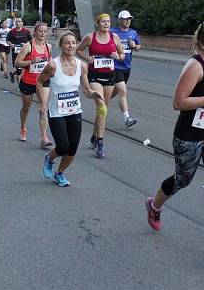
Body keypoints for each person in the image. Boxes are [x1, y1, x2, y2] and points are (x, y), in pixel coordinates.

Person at [144, 21, 204, 261]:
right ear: (202, 43)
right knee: (183, 179)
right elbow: (179, 102)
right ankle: (154, 206)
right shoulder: (194, 66)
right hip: (189, 137)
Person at [37, 32, 104, 187]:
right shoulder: (53, 65)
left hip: (75, 111)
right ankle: (50, 158)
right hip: (56, 112)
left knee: (72, 148)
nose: (71, 46)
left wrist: (94, 94)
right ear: (61, 45)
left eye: (73, 43)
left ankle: (59, 173)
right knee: (63, 146)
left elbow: (86, 90)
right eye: (67, 43)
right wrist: (42, 102)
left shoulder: (82, 66)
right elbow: (40, 81)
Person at [77, 13, 125, 158]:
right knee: (102, 107)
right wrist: (88, 58)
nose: (106, 24)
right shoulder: (90, 37)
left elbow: (122, 55)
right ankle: (100, 142)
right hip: (95, 76)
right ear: (98, 23)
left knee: (102, 111)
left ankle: (94, 136)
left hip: (109, 76)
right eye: (104, 22)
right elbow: (79, 50)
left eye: (108, 22)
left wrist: (118, 56)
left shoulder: (114, 37)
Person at [14, 22, 53, 147]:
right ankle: (23, 127)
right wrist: (31, 61)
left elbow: (49, 61)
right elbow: (17, 63)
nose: (43, 34)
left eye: (45, 31)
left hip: (43, 81)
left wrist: (51, 68)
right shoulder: (28, 46)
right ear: (35, 33)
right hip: (28, 81)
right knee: (26, 108)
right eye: (40, 31)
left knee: (43, 109)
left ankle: (44, 137)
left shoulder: (48, 47)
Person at [110, 10, 142, 127]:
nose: (128, 21)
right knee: (123, 91)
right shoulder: (112, 32)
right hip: (115, 66)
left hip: (127, 67)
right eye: (125, 19)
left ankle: (102, 102)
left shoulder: (133, 32)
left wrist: (135, 46)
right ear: (120, 20)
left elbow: (138, 46)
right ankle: (127, 118)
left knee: (115, 91)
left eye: (129, 19)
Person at [7, 16, 32, 85]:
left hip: (25, 53)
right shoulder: (12, 32)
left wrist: (26, 44)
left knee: (24, 68)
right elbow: (8, 41)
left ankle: (12, 74)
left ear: (22, 23)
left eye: (19, 21)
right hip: (16, 53)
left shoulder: (26, 31)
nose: (17, 23)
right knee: (19, 70)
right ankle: (20, 86)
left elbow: (31, 41)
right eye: (16, 21)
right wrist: (11, 45)